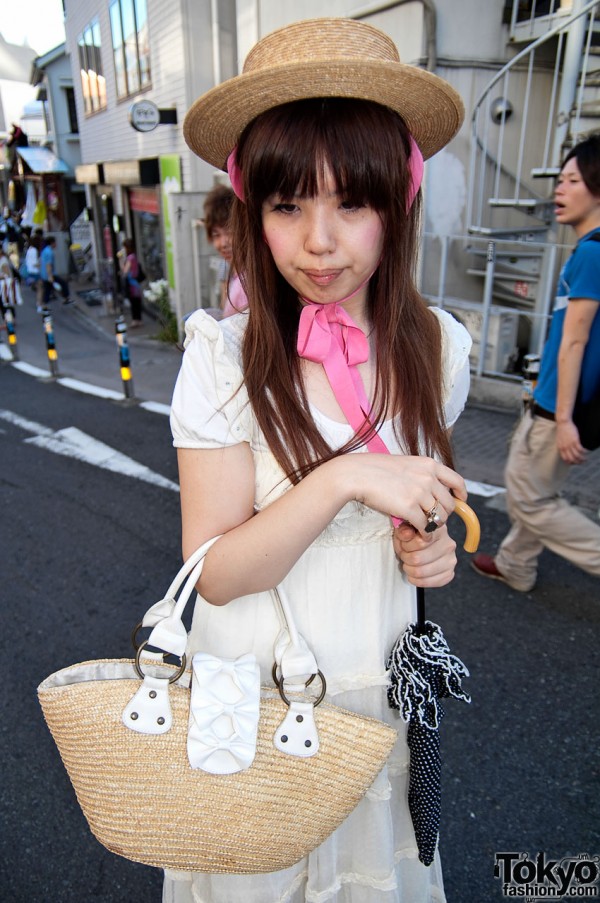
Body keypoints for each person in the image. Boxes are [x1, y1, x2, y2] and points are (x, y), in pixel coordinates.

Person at [169, 17, 471, 903]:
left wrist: (431, 552)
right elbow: (213, 572)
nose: (319, 242)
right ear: (251, 211)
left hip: (373, 695)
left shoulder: (439, 350)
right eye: (287, 205)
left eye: (353, 203)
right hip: (249, 695)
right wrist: (341, 476)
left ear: (399, 201)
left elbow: (412, 521)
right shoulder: (221, 356)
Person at [472, 133, 600, 592]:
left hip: (558, 408)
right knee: (537, 488)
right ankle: (516, 564)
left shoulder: (591, 253)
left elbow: (574, 341)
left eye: (572, 180)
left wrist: (562, 418)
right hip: (565, 403)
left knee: (527, 498)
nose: (558, 191)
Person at [202, 183, 248, 317]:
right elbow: (225, 311)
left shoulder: (256, 276)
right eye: (216, 235)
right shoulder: (226, 266)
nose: (223, 243)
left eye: (230, 231)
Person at [40, 236, 72, 307]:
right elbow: (48, 265)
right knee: (63, 284)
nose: (56, 244)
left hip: (44, 274)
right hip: (49, 274)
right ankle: (66, 298)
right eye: (55, 243)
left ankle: (44, 304)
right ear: (52, 243)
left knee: (47, 289)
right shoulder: (49, 252)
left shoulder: (44, 250)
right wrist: (50, 276)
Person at [120, 238, 143, 326]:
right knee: (137, 301)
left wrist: (121, 260)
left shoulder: (130, 258)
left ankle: (135, 320)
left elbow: (125, 271)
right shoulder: (134, 256)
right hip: (135, 283)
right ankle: (139, 320)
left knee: (134, 302)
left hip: (131, 283)